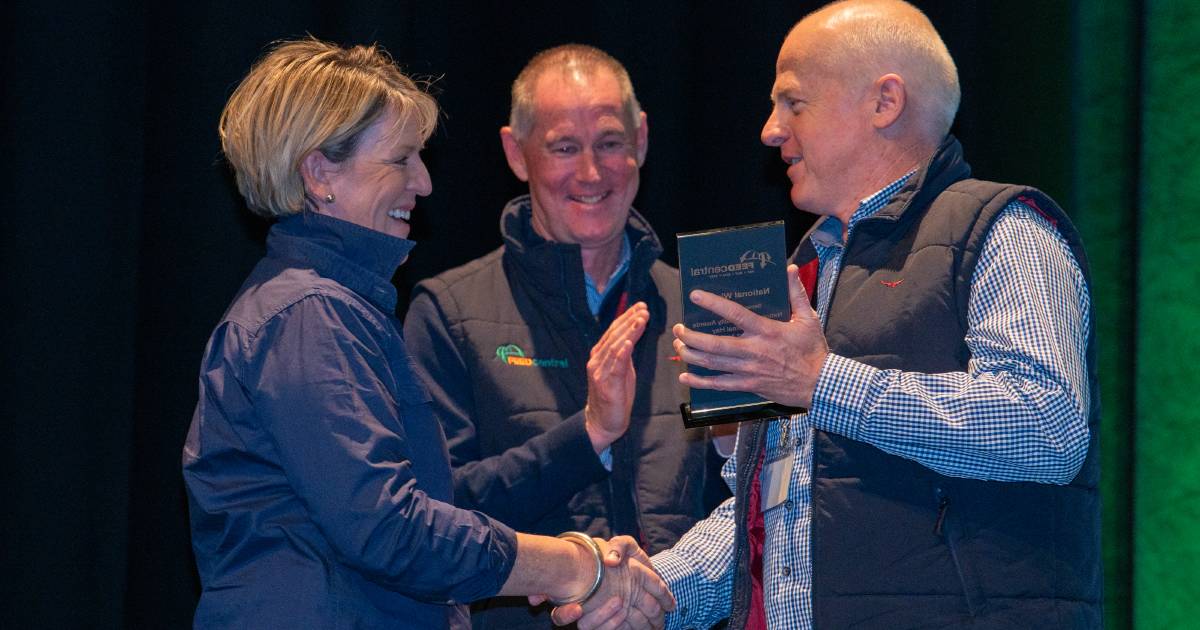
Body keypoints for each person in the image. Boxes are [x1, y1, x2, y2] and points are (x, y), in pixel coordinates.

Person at [563, 1, 1101, 628]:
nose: (769, 129)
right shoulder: (806, 268)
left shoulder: (1004, 230)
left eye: (793, 103)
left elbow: (1048, 429)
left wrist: (820, 383)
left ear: (884, 102)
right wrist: (653, 593)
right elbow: (776, 512)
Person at [181, 37, 673, 629]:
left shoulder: (329, 308)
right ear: (319, 173)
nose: (425, 183)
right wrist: (573, 565)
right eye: (400, 160)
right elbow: (390, 529)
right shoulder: (308, 314)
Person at [403, 44, 727, 629]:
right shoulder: (448, 312)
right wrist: (588, 436)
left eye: (608, 143)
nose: (590, 172)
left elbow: (752, 519)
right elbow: (434, 517)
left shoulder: (699, 305)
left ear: (642, 141)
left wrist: (738, 448)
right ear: (516, 153)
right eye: (563, 148)